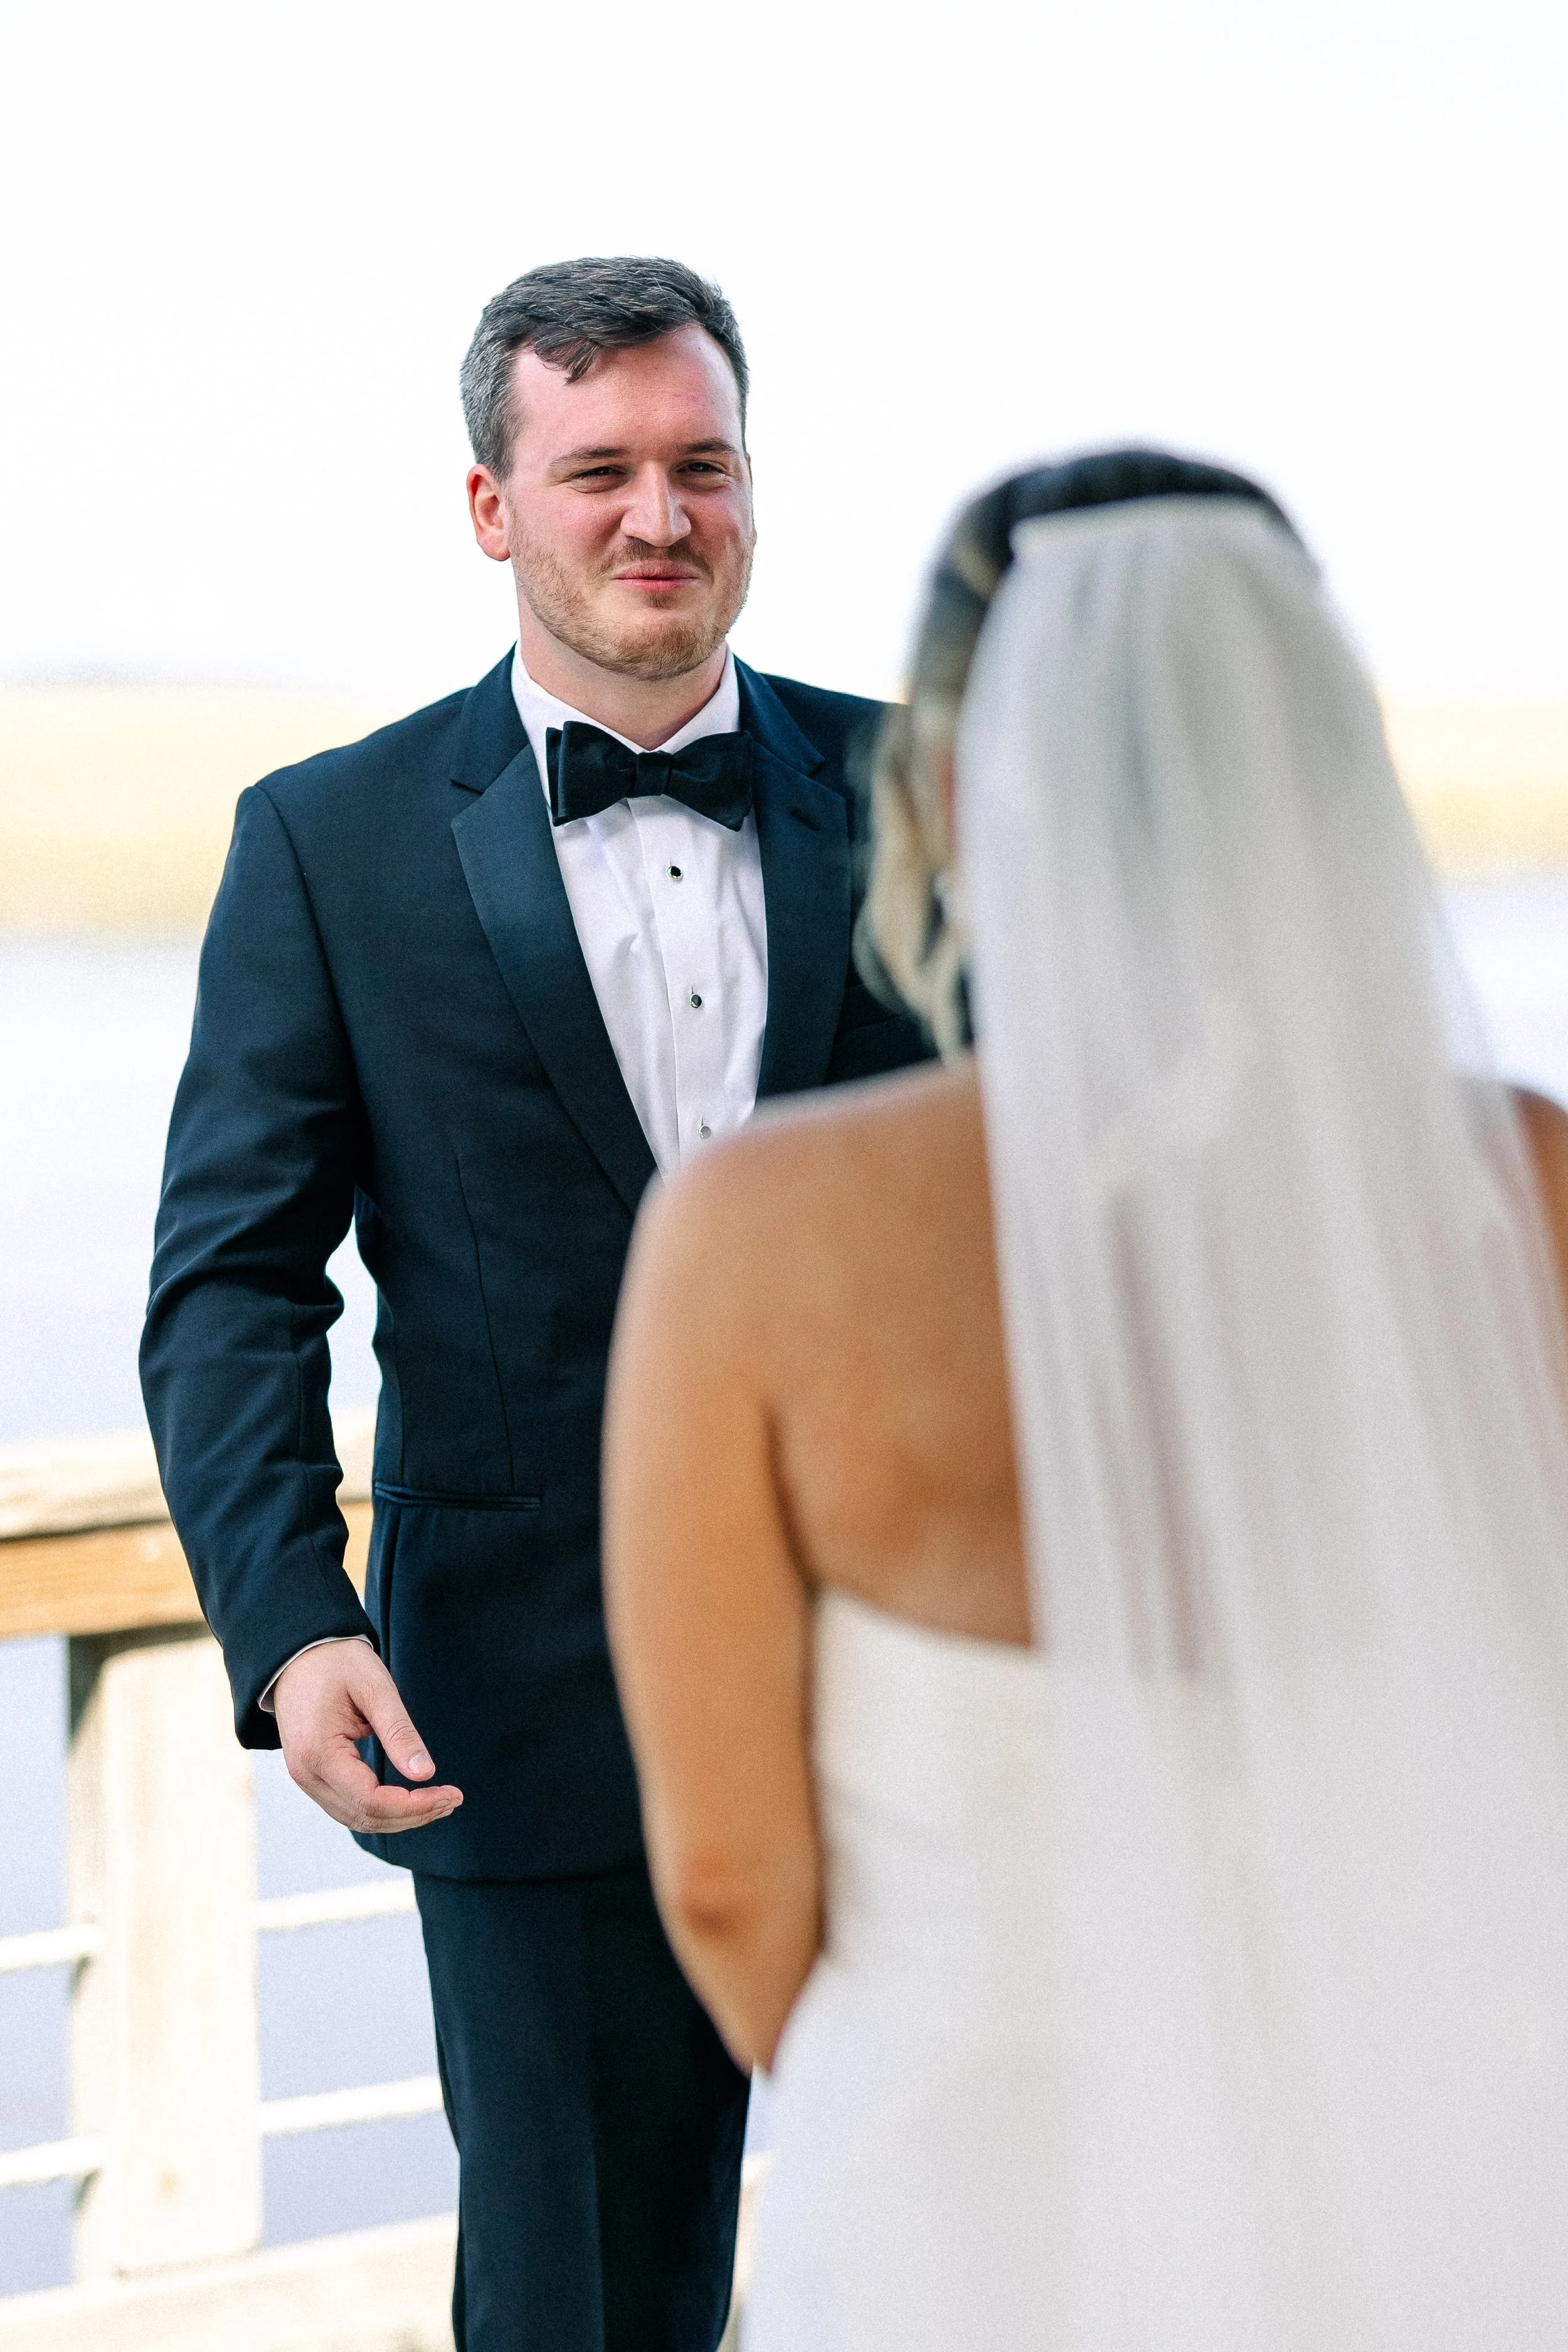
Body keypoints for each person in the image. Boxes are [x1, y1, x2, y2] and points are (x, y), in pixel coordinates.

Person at [603, 451, 1568, 2348]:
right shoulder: (1526, 1191)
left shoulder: (752, 1240)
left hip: (951, 2224)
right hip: (1426, 2188)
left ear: (953, 789)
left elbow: (723, 1882)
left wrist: (968, 2090)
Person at [140, 255, 929, 2352]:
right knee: (580, 2302)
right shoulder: (327, 842)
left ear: (753, 488)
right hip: (515, 1704)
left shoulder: (933, 795)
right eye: (597, 472)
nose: (656, 516)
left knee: (964, 2265)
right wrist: (294, 1621)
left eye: (701, 464)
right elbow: (230, 1276)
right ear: (494, 508)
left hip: (923, 1686)